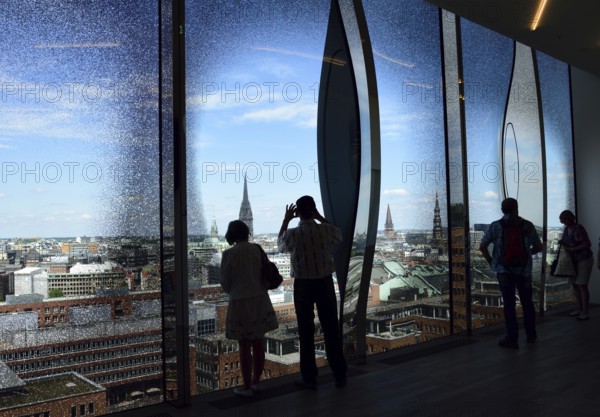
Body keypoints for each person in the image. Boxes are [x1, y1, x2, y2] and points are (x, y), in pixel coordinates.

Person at [277, 195, 347, 389]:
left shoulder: (292, 234)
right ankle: (339, 375)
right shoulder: (324, 230)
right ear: (314, 211)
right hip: (325, 283)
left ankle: (309, 378)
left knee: (305, 332)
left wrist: (285, 220)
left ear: (297, 213)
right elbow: (339, 234)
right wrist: (320, 217)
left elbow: (280, 246)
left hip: (303, 285)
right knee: (331, 329)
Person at [220, 220, 278, 397]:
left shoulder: (229, 254)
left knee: (244, 345)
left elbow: (225, 284)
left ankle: (246, 387)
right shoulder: (257, 250)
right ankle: (256, 382)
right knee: (258, 342)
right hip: (260, 299)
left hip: (239, 302)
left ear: (231, 234)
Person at [479, 198, 543, 349]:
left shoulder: (496, 226)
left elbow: (482, 246)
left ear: (502, 209)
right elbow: (539, 247)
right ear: (516, 208)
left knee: (509, 304)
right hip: (524, 270)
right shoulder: (527, 225)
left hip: (504, 270)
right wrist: (526, 254)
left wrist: (491, 261)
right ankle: (531, 335)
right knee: (527, 303)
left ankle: (512, 338)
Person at [558, 210, 593, 321]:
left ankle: (584, 311)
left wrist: (572, 248)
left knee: (581, 285)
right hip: (574, 261)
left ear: (570, 218)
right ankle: (580, 309)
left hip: (583, 259)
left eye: (565, 219)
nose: (564, 222)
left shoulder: (578, 228)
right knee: (576, 285)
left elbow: (587, 244)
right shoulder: (568, 229)